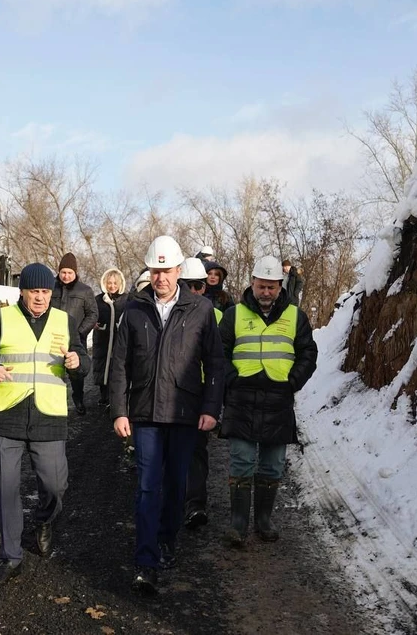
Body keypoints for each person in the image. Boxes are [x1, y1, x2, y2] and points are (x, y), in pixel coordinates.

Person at [110, 236, 223, 594]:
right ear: (150, 271)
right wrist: (119, 410)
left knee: (176, 485)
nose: (161, 277)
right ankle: (145, 561)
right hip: (144, 413)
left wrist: (210, 407)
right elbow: (118, 365)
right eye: (156, 270)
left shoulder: (200, 310)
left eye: (168, 270)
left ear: (179, 271)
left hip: (185, 413)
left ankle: (166, 542)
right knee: (147, 487)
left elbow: (216, 364)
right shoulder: (133, 310)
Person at [0, 263, 90, 588]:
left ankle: (44, 520)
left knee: (54, 485)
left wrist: (77, 363)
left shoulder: (65, 321)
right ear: (22, 291)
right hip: (8, 412)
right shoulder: (1, 318)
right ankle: (10, 557)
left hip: (48, 416)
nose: (40, 298)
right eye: (34, 291)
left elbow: (83, 361)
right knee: (6, 489)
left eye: (45, 291)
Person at [219, 255, 318, 548]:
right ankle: (238, 524)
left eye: (271, 287)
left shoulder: (295, 316)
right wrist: (231, 379)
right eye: (261, 286)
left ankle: (263, 520)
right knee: (242, 461)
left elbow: (308, 354)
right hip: (241, 399)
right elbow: (218, 352)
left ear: (279, 286)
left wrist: (293, 382)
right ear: (252, 283)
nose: (266, 292)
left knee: (273, 465)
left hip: (278, 399)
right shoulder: (234, 315)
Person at [181, 257, 222, 530]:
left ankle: (195, 505)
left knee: (196, 451)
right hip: (171, 397)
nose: (194, 291)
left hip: (200, 394)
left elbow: (218, 362)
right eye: (188, 285)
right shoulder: (165, 314)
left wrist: (213, 404)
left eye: (198, 286)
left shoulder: (214, 315)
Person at [51, 253, 98, 414]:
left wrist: (79, 332)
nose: (66, 276)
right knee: (53, 370)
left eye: (70, 273)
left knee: (76, 373)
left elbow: (93, 314)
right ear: (59, 272)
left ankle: (78, 398)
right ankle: (53, 402)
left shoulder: (85, 291)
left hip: (76, 339)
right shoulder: (51, 287)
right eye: (63, 272)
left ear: (75, 273)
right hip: (53, 338)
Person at [93, 268, 129, 407]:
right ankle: (103, 396)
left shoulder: (127, 300)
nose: (112, 286)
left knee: (117, 366)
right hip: (103, 339)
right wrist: (94, 324)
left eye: (115, 283)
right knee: (102, 366)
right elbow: (91, 314)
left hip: (120, 339)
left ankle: (116, 398)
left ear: (120, 284)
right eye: (109, 283)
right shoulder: (98, 300)